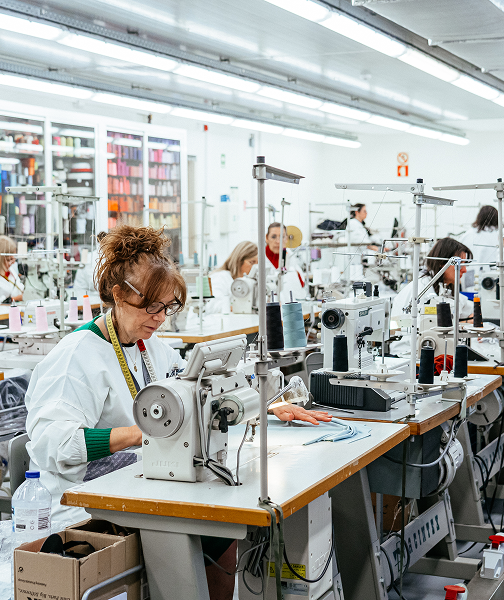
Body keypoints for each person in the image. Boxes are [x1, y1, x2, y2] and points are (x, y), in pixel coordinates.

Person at [25, 225, 331, 598]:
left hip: (143, 482)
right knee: (212, 527)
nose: (160, 318)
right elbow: (53, 445)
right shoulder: (75, 357)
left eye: (167, 307)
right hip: (87, 501)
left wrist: (264, 403)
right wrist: (144, 432)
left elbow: (197, 389)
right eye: (151, 306)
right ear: (119, 294)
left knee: (223, 529)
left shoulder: (150, 347)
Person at [391, 238, 474, 354]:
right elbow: (424, 329)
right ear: (442, 263)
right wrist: (462, 325)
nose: (464, 270)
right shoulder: (422, 289)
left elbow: (468, 308)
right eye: (459, 264)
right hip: (408, 353)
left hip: (431, 350)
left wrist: (471, 319)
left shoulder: (444, 287)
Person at [206, 241, 258, 314]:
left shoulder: (249, 283)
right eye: (252, 262)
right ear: (239, 261)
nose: (255, 267)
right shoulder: (220, 277)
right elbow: (212, 306)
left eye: (258, 264)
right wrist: (239, 307)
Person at [459, 205, 500, 288]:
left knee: (470, 294)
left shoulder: (468, 234)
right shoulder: (498, 234)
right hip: (493, 279)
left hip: (470, 276)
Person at [265, 222, 305, 301]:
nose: (278, 241)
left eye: (282, 237)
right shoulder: (259, 257)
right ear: (267, 238)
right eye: (273, 237)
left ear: (286, 239)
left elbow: (301, 286)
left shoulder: (290, 256)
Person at [72, 231, 107, 297]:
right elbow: (95, 283)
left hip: (94, 295)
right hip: (85, 295)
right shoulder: (92, 257)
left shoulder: (104, 256)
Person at [0, 235, 23, 303]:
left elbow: (20, 289)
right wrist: (14, 299)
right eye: (9, 259)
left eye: (13, 259)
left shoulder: (10, 271)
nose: (13, 262)